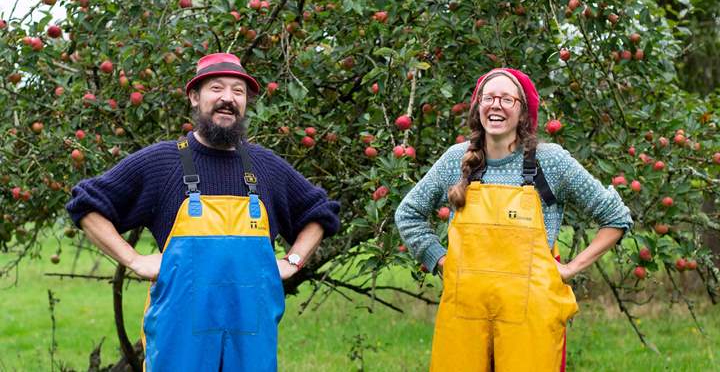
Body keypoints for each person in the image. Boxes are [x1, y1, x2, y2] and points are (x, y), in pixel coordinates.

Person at [66, 53, 340, 371]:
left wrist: (293, 261)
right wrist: (133, 260)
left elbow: (320, 211)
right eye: (216, 88)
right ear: (195, 97)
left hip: (251, 344)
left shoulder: (266, 167)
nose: (228, 98)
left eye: (238, 91)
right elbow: (86, 204)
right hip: (179, 344)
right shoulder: (162, 163)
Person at [394, 68, 632, 371]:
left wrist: (571, 268)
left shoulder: (551, 162)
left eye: (507, 99)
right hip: (464, 317)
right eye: (489, 97)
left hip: (529, 321)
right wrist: (440, 260)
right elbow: (408, 213)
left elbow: (615, 217)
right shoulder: (456, 160)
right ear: (478, 106)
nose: (496, 105)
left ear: (523, 113)